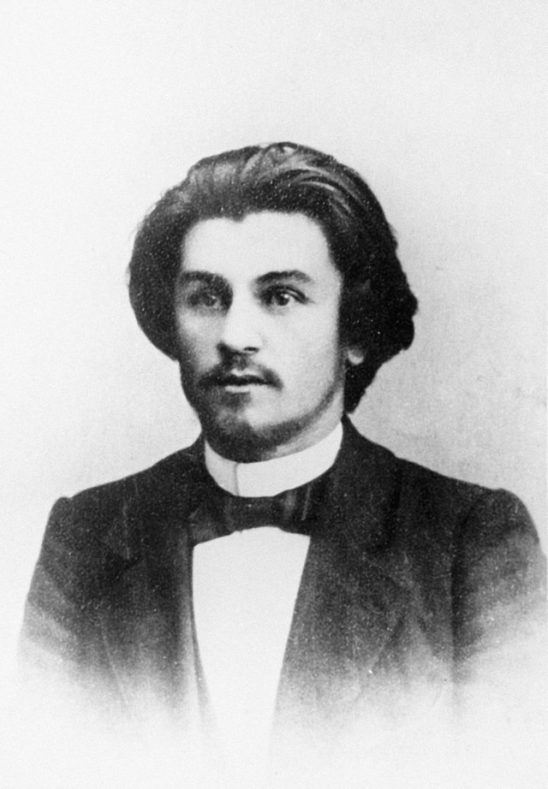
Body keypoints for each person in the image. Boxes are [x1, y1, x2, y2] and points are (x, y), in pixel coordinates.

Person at [20, 142, 545, 783]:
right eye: (207, 297)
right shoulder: (86, 536)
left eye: (281, 296)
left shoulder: (471, 540)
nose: (235, 336)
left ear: (356, 329)